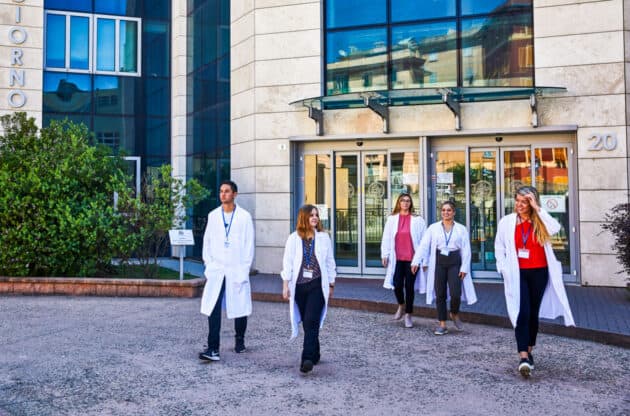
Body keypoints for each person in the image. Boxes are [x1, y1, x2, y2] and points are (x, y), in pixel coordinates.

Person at [494, 186, 574, 377]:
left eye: (524, 201)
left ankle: (529, 351)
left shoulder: (541, 221)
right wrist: (503, 268)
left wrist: (538, 208)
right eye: (518, 201)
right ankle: (522, 355)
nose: (520, 205)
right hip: (517, 273)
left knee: (533, 313)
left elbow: (556, 228)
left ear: (531, 202)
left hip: (539, 272)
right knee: (523, 311)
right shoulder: (507, 222)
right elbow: (499, 246)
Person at [199, 180, 255, 361]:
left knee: (239, 306)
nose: (223, 194)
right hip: (217, 269)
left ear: (235, 194)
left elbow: (249, 245)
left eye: (227, 191)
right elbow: (206, 241)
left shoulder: (244, 217)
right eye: (221, 191)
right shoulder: (213, 215)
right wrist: (209, 265)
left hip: (236, 268)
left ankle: (240, 339)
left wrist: (244, 269)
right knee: (213, 306)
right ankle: (213, 348)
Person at [281, 204, 336, 374]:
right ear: (303, 217)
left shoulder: (324, 238)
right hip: (299, 286)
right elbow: (288, 263)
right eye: (311, 215)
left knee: (312, 319)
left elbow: (329, 262)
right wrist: (285, 284)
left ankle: (306, 359)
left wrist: (331, 283)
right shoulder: (293, 238)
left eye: (316, 215)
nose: (314, 218)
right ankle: (315, 352)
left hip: (317, 285)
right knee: (307, 321)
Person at [414, 200, 477, 335]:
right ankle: (442, 324)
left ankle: (454, 313)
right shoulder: (433, 228)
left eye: (449, 210)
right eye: (443, 210)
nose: (446, 212)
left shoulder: (461, 229)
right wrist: (416, 261)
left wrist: (464, 268)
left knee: (456, 293)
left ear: (454, 212)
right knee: (440, 293)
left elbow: (466, 249)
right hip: (438, 262)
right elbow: (424, 245)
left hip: (455, 262)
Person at [381, 193, 426, 328]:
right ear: (398, 203)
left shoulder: (418, 220)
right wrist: (385, 254)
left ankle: (408, 315)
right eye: (403, 201)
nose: (405, 203)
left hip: (412, 260)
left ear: (411, 203)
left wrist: (421, 261)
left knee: (410, 287)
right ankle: (401, 304)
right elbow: (387, 238)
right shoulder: (392, 219)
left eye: (408, 201)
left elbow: (424, 242)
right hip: (397, 259)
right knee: (397, 284)